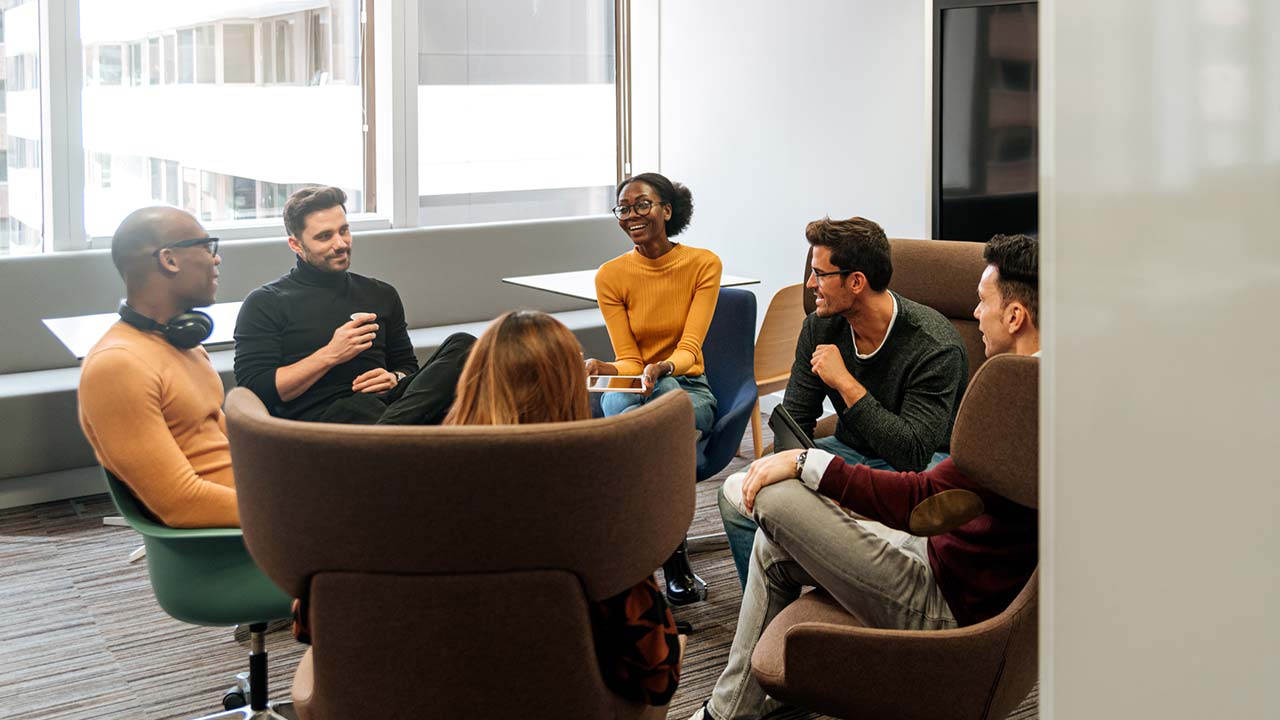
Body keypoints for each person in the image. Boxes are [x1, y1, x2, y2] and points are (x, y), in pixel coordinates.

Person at [690, 233, 1040, 720]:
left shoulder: (1006, 391)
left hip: (943, 600)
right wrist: (795, 457)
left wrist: (804, 464)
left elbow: (921, 487)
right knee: (771, 538)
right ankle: (731, 712)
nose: (975, 314)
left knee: (773, 500)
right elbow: (798, 416)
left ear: (1016, 316)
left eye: (982, 303)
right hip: (938, 549)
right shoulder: (1049, 384)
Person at [445, 310, 683, 706]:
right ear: (568, 390)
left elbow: (311, 625)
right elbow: (656, 674)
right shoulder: (595, 509)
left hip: (419, 694)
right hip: (563, 702)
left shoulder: (402, 493)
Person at [718, 216, 969, 586]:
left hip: (921, 468)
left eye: (819, 274)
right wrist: (796, 470)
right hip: (848, 449)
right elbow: (797, 420)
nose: (809, 285)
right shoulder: (821, 325)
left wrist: (846, 383)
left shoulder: (934, 346)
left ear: (856, 282)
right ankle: (780, 611)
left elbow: (912, 450)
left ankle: (839, 601)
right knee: (742, 495)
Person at [583, 171, 723, 605]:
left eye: (642, 205)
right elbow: (627, 358)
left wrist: (661, 367)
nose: (631, 215)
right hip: (633, 385)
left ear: (667, 209)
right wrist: (605, 366)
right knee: (628, 405)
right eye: (623, 209)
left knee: (646, 420)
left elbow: (690, 348)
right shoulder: (611, 276)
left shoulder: (703, 264)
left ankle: (634, 554)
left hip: (687, 385)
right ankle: (671, 561)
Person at [233, 186, 474, 424]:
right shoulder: (265, 303)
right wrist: (331, 354)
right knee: (365, 407)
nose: (340, 243)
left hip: (389, 405)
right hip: (326, 419)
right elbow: (255, 390)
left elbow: (407, 365)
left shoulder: (380, 293)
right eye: (325, 236)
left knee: (465, 346)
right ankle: (408, 436)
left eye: (344, 231)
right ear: (295, 244)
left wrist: (394, 377)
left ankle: (392, 436)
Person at [78, 207, 236, 527]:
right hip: (242, 538)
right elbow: (181, 504)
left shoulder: (183, 344)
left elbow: (219, 439)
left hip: (261, 503)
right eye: (206, 248)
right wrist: (294, 511)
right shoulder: (117, 366)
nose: (216, 259)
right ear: (170, 260)